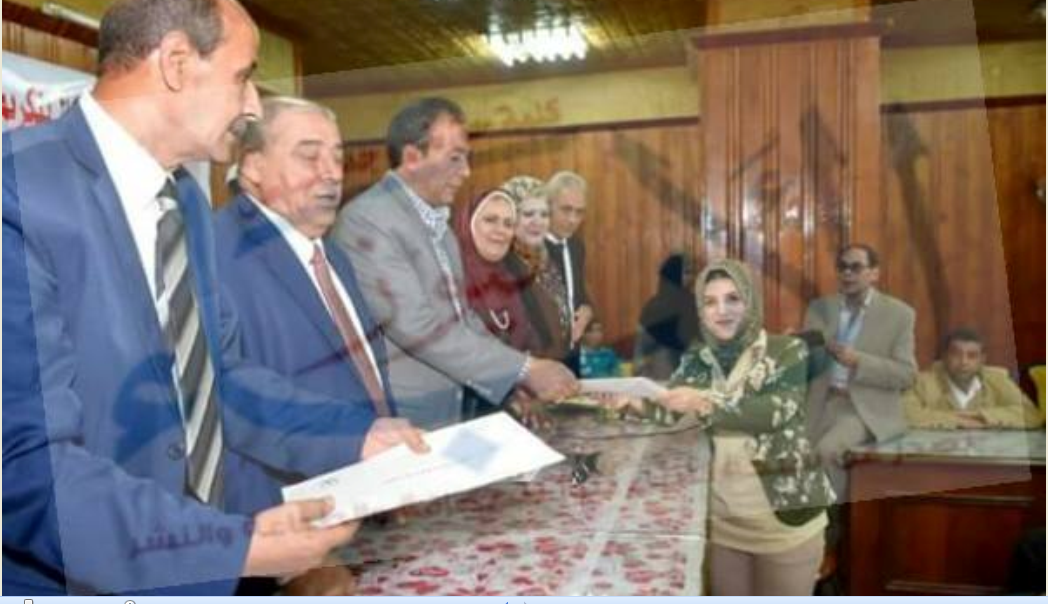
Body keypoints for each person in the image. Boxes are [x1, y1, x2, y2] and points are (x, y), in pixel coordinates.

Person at [2, 0, 423, 594]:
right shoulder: (17, 193)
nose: (252, 106)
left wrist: (355, 435)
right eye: (243, 77)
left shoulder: (187, 204)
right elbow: (26, 466)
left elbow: (220, 379)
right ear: (176, 63)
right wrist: (228, 547)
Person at [215, 96, 430, 594]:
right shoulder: (213, 251)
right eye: (309, 156)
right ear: (252, 167)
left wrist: (392, 476)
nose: (332, 173)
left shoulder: (332, 255)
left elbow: (364, 378)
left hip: (357, 518)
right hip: (283, 545)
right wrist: (285, 562)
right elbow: (223, 402)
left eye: (337, 157)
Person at [332, 97, 577, 429]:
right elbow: (418, 328)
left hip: (446, 406)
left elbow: (463, 319)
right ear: (412, 157)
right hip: (398, 415)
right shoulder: (369, 220)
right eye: (454, 159)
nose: (465, 172)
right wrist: (524, 369)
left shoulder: (441, 230)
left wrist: (509, 381)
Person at [653, 259, 834, 596]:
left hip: (784, 525)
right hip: (724, 525)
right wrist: (628, 400)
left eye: (733, 299)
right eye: (710, 302)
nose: (721, 310)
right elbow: (669, 410)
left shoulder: (787, 350)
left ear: (751, 301)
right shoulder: (697, 358)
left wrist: (704, 403)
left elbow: (773, 412)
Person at [804, 244, 916, 502]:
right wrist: (796, 347)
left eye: (855, 267)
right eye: (842, 267)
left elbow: (906, 375)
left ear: (874, 273)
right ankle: (808, 521)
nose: (847, 274)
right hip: (819, 402)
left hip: (862, 409)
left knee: (827, 452)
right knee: (791, 455)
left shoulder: (899, 314)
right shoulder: (819, 308)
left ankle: (836, 521)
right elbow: (809, 366)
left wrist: (859, 361)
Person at [904, 328, 1041, 430]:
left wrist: (981, 416)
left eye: (972, 356)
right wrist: (958, 421)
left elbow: (1032, 415)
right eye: (956, 354)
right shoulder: (922, 382)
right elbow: (904, 415)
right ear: (944, 357)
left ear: (982, 360)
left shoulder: (998, 380)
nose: (964, 362)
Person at [502, 175, 573, 363]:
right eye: (528, 214)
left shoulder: (548, 260)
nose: (538, 222)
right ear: (510, 218)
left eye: (544, 214)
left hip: (557, 365)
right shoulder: (502, 265)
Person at [544, 170, 594, 373]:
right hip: (541, 356)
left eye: (579, 212)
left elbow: (577, 292)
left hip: (572, 352)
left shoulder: (576, 246)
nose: (573, 219)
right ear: (548, 206)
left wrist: (587, 310)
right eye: (566, 210)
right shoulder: (529, 248)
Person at [633, 253, 699, 380]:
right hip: (661, 369)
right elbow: (641, 347)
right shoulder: (655, 306)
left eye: (692, 273)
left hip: (692, 366)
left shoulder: (694, 302)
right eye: (686, 272)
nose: (690, 277)